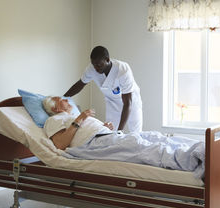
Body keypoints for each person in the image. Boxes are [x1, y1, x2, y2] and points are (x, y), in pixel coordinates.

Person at [42, 96, 205, 178]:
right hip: (94, 144)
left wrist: (103, 127)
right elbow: (60, 144)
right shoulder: (53, 120)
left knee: (154, 136)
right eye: (61, 100)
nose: (66, 100)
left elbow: (81, 131)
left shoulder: (72, 117)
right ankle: (191, 159)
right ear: (55, 108)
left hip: (106, 136)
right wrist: (80, 119)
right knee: (141, 146)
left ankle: (201, 147)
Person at [63, 46, 143, 133]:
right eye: (94, 65)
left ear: (107, 60)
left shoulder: (122, 69)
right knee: (110, 132)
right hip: (112, 102)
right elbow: (80, 84)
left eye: (99, 65)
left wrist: (120, 131)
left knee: (136, 133)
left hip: (131, 102)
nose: (96, 68)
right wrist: (63, 98)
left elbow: (127, 103)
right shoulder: (91, 69)